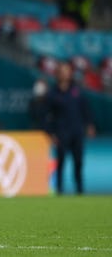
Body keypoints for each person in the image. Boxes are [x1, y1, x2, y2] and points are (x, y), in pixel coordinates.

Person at [46, 62, 95, 195]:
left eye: (67, 71)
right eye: (62, 71)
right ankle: (59, 189)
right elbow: (48, 115)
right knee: (60, 162)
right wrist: (51, 133)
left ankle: (79, 190)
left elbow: (85, 109)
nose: (65, 73)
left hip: (77, 131)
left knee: (78, 161)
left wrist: (89, 124)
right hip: (61, 132)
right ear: (57, 74)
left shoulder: (77, 91)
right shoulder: (52, 93)